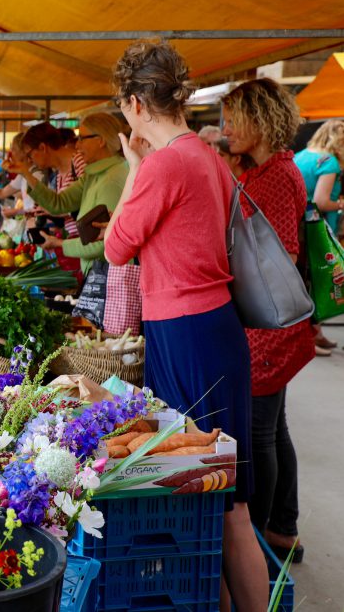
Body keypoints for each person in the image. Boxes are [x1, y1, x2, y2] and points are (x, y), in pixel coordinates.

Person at [105, 39, 268, 611]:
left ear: (135, 104)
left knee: (221, 501)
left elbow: (116, 246)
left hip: (189, 333)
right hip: (207, 328)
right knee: (211, 499)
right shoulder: (204, 155)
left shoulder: (165, 163)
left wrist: (132, 169)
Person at [222, 79, 314, 569]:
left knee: (260, 431)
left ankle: (259, 536)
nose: (227, 128)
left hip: (268, 325)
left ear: (260, 119)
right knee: (273, 427)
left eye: (234, 117)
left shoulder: (277, 176)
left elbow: (278, 257)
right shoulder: (271, 169)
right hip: (270, 323)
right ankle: (283, 527)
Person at [7, 113, 128, 275]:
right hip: (97, 272)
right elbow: (59, 203)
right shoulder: (93, 175)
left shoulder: (112, 179)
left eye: (82, 138)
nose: (77, 146)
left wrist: (60, 244)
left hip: (107, 276)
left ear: (101, 140)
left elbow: (105, 242)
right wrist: (25, 173)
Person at [294, 119, 344, 356]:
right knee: (317, 281)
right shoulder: (330, 162)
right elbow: (322, 200)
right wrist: (341, 204)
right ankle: (309, 337)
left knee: (305, 280)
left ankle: (315, 334)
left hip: (299, 227)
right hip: (317, 232)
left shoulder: (304, 155)